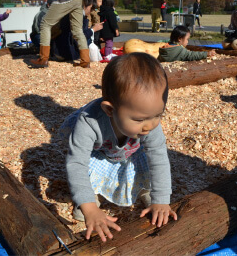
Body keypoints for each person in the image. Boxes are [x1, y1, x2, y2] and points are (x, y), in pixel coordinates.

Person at [59, 53, 178, 242]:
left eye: (158, 115)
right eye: (139, 119)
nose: (149, 125)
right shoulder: (90, 122)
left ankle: (143, 189)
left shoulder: (148, 122)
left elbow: (159, 158)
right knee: (89, 165)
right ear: (110, 110)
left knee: (147, 159)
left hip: (129, 150)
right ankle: (91, 195)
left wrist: (161, 199)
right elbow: (77, 164)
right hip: (100, 151)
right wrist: (89, 208)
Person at [29, 0, 90, 68]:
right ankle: (85, 61)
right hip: (78, 0)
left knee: (45, 24)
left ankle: (43, 59)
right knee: (77, 30)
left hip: (63, 0)